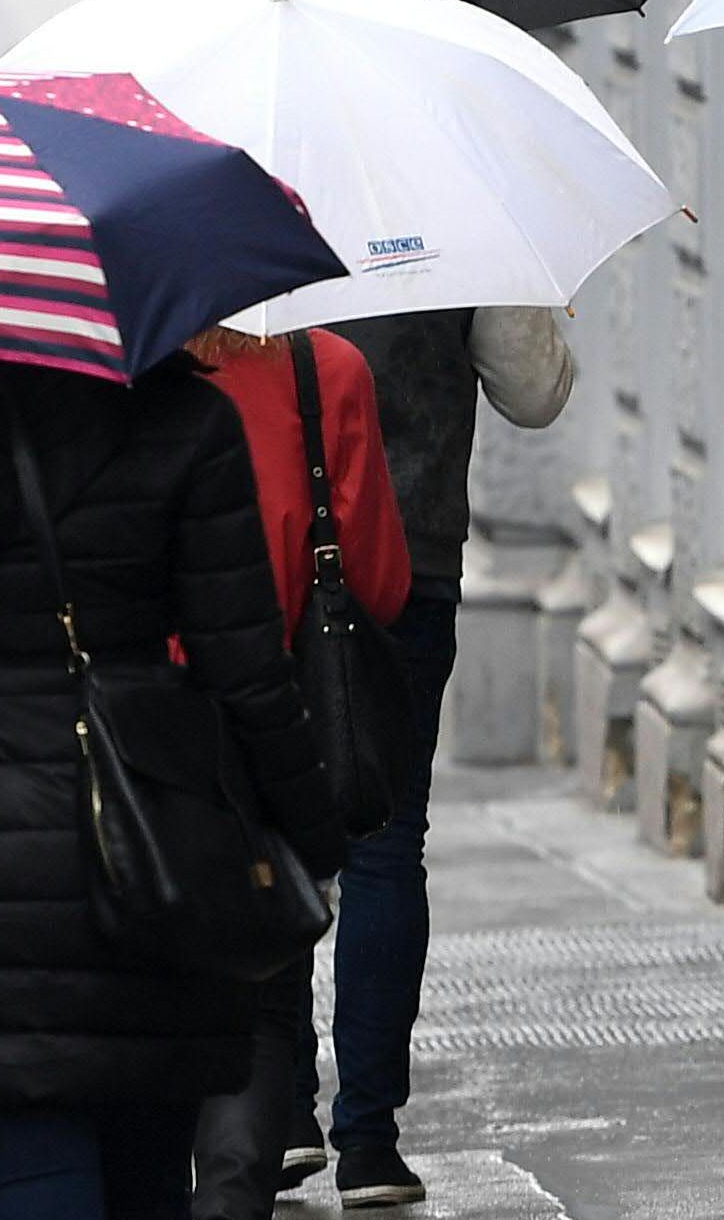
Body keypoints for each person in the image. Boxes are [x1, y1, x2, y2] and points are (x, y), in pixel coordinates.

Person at [0, 347, 348, 1220]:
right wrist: (311, 836)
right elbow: (245, 671)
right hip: (153, 845)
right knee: (148, 1186)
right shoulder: (187, 418)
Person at [286, 305, 575, 1208]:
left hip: (269, 558)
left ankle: (283, 1109)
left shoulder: (248, 189)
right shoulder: (458, 203)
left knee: (270, 835)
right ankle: (369, 1139)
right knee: (386, 841)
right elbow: (535, 392)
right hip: (409, 561)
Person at [185, 324, 411, 1220]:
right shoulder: (328, 371)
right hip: (276, 729)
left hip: (135, 731)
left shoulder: (116, 363)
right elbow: (381, 581)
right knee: (265, 990)